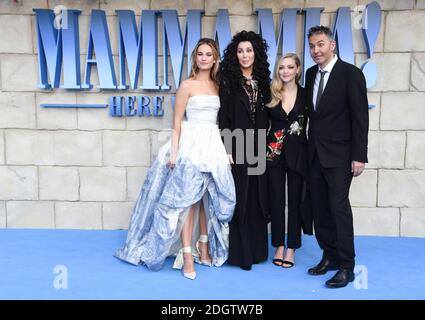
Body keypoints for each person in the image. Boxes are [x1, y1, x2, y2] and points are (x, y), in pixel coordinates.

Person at [115, 38, 236, 280]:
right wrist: (174, 151)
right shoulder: (186, 85)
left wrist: (227, 150)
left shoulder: (218, 85)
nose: (204, 58)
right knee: (187, 201)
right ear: (195, 57)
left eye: (208, 54)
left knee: (206, 197)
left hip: (211, 142)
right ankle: (188, 255)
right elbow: (176, 123)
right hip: (190, 143)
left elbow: (223, 122)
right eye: (200, 54)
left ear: (215, 59)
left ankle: (204, 246)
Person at [305, 26, 369, 288]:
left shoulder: (350, 74)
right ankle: (329, 255)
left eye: (320, 44)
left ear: (332, 45)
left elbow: (360, 118)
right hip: (315, 154)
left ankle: (346, 265)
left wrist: (359, 156)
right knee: (319, 209)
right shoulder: (310, 74)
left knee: (338, 208)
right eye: (312, 46)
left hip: (342, 155)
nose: (316, 50)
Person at [218, 30, 271, 271]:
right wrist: (227, 148)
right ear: (235, 55)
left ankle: (258, 251)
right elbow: (224, 118)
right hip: (237, 143)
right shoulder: (228, 81)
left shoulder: (264, 81)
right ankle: (242, 255)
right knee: (241, 196)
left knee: (257, 198)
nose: (245, 55)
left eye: (249, 50)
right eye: (240, 51)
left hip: (258, 145)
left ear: (256, 53)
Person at [266, 53, 311, 269]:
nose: (285, 71)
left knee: (294, 202)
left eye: (290, 67)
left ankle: (292, 247)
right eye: (281, 67)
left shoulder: (306, 94)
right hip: (272, 153)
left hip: (299, 154)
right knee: (276, 200)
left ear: (297, 70)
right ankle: (278, 246)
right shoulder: (271, 92)